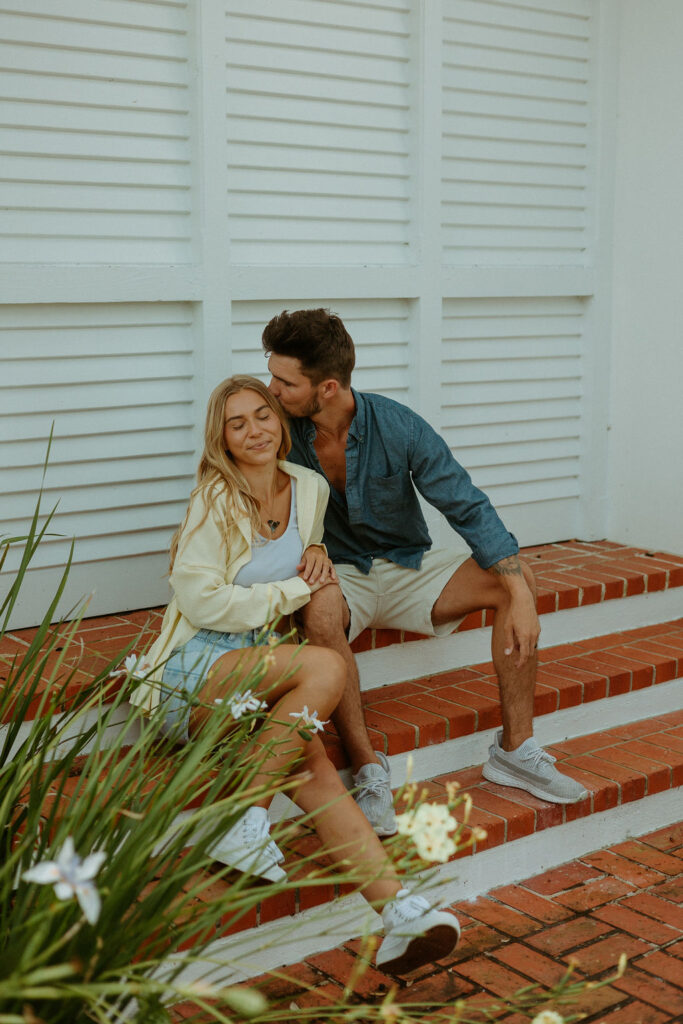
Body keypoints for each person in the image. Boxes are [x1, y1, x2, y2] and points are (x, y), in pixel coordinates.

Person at [129, 375, 460, 974]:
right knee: (328, 664)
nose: (254, 429)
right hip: (198, 667)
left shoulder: (307, 486)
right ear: (222, 440)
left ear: (281, 423)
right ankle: (240, 818)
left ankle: (400, 913)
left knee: (311, 764)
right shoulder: (215, 498)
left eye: (263, 415)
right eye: (238, 423)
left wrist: (321, 557)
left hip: (264, 670)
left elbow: (306, 555)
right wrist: (290, 591)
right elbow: (203, 601)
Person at [261, 309, 588, 834]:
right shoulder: (274, 429)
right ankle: (369, 770)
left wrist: (520, 593)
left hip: (409, 565)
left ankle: (514, 751)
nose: (271, 389)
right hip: (339, 571)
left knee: (516, 578)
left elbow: (466, 505)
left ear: (326, 387)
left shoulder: (399, 426)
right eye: (270, 374)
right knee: (319, 608)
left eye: (284, 380)